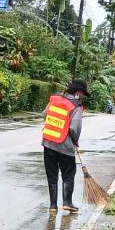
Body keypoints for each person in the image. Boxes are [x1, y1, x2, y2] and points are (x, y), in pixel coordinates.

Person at [41, 78, 86, 214]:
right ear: (78, 92)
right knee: (68, 174)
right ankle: (67, 202)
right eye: (83, 94)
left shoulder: (55, 99)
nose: (83, 97)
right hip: (64, 147)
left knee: (52, 175)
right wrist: (75, 141)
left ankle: (53, 206)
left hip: (48, 143)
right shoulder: (76, 106)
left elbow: (44, 115)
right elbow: (75, 128)